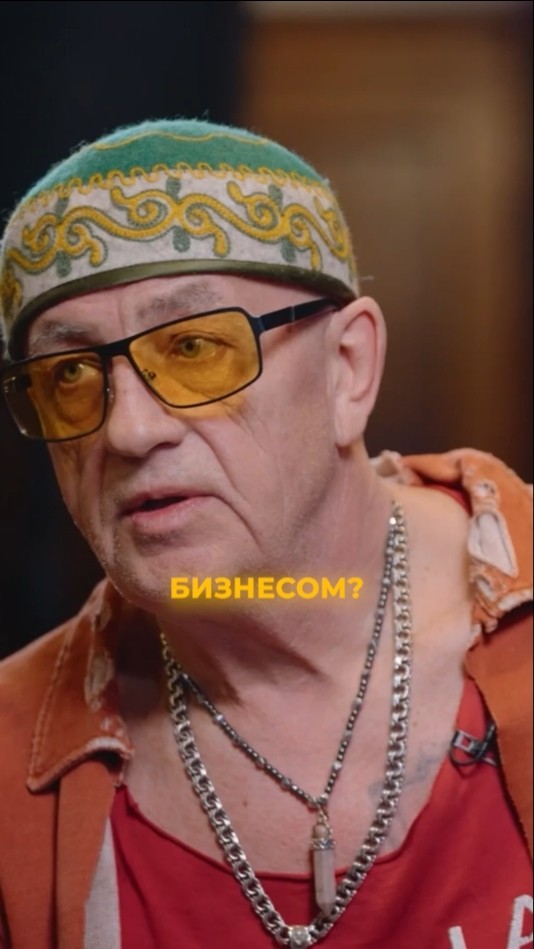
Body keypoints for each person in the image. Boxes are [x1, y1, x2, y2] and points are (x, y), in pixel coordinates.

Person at [0, 118, 531, 949]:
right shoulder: (14, 756)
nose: (129, 431)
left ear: (348, 369)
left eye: (195, 348)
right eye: (69, 373)